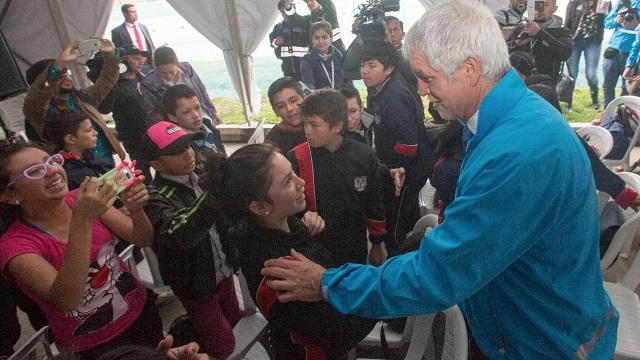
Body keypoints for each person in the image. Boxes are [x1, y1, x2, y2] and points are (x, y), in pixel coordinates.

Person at [261, 1, 618, 358]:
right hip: (524, 324)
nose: (420, 88)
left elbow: (438, 274)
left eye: (428, 77)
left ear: (470, 69)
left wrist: (326, 282)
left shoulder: (517, 151)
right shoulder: (505, 119)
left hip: (545, 343)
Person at [199, 144, 376, 360]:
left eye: (293, 172)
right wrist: (381, 293)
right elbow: (340, 334)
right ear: (259, 206)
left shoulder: (289, 226)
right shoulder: (279, 272)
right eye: (287, 182)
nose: (301, 182)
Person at [0, 139, 161, 358]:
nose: (52, 172)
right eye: (35, 171)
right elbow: (66, 299)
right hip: (94, 346)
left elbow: (142, 239)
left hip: (141, 313)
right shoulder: (15, 246)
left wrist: (136, 210)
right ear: (9, 195)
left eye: (51, 162)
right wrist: (82, 220)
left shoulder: (80, 198)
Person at [142, 121, 242, 359]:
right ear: (156, 164)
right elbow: (179, 233)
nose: (188, 153)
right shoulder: (153, 197)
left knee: (234, 321)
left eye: (187, 145)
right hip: (197, 286)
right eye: (176, 151)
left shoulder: (198, 176)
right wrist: (214, 194)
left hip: (223, 271)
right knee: (223, 344)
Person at [287, 89, 387, 266]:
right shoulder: (297, 158)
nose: (307, 131)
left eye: (314, 125)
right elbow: (286, 208)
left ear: (338, 126)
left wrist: (377, 244)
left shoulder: (363, 155)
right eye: (305, 124)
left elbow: (374, 202)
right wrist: (302, 219)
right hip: (313, 245)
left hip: (354, 243)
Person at [361, 41, 434, 256]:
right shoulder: (379, 88)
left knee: (396, 225)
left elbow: (409, 146)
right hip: (394, 165)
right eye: (363, 65)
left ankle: (398, 264)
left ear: (389, 68)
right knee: (406, 216)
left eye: (372, 66)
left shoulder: (395, 96)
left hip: (407, 169)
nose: (365, 71)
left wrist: (386, 168)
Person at [23, 40, 125, 168]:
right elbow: (39, 92)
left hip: (106, 162)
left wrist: (111, 55)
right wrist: (59, 64)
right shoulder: (38, 110)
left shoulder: (82, 97)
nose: (66, 77)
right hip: (78, 171)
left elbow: (107, 80)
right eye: (60, 75)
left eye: (66, 72)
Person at [95, 45, 153, 182]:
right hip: (133, 136)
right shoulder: (116, 85)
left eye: (141, 58)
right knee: (143, 171)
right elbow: (104, 108)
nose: (140, 62)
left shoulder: (144, 79)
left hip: (151, 131)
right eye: (135, 58)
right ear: (124, 61)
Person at [141, 46, 222, 125]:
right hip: (174, 124)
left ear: (177, 64)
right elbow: (152, 113)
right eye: (163, 73)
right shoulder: (148, 83)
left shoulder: (187, 69)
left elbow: (202, 91)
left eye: (171, 71)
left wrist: (213, 112)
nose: (169, 76)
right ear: (156, 68)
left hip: (200, 116)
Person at [161, 85, 226, 174]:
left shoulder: (211, 129)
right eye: (186, 112)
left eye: (197, 107)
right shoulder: (180, 147)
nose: (196, 115)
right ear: (172, 117)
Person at [509, 0, 573, 84]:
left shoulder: (561, 31)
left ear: (555, 8)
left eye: (545, 5)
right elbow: (507, 55)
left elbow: (565, 53)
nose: (539, 10)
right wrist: (516, 43)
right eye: (535, 4)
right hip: (519, 83)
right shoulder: (521, 28)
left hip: (546, 84)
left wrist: (540, 34)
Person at [47, 110, 108, 191]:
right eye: (89, 130)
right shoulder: (67, 173)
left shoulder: (87, 154)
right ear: (70, 139)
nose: (95, 133)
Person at [564, 0, 607, 109]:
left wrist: (605, 9)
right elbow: (567, 22)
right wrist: (565, 40)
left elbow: (607, 21)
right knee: (572, 73)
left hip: (593, 41)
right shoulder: (574, 2)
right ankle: (568, 102)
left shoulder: (603, 2)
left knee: (591, 74)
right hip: (575, 40)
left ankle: (595, 100)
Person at [269, 0, 324, 80]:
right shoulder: (278, 27)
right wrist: (276, 42)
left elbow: (316, 17)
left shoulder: (305, 21)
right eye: (283, 11)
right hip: (288, 68)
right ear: (281, 12)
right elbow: (272, 44)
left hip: (305, 65)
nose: (285, 13)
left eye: (288, 9)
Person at [603, 0, 640, 107]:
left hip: (632, 53)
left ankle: (624, 114)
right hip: (613, 50)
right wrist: (616, 20)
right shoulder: (622, 2)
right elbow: (607, 23)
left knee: (628, 87)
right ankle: (607, 113)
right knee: (608, 85)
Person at [264, 77, 307, 154]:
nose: (289, 109)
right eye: (281, 106)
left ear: (304, 98)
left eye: (293, 101)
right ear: (275, 111)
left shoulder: (320, 126)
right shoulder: (273, 142)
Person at [110, 4, 156, 74]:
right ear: (124, 14)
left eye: (136, 11)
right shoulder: (117, 32)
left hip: (149, 64)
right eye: (132, 12)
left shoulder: (143, 27)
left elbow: (151, 45)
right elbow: (118, 52)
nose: (136, 14)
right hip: (132, 67)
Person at [300, 21, 344, 90]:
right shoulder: (307, 60)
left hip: (340, 97)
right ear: (312, 40)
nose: (321, 41)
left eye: (324, 37)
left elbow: (346, 81)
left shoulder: (338, 55)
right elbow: (309, 85)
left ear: (331, 38)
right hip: (320, 98)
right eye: (317, 38)